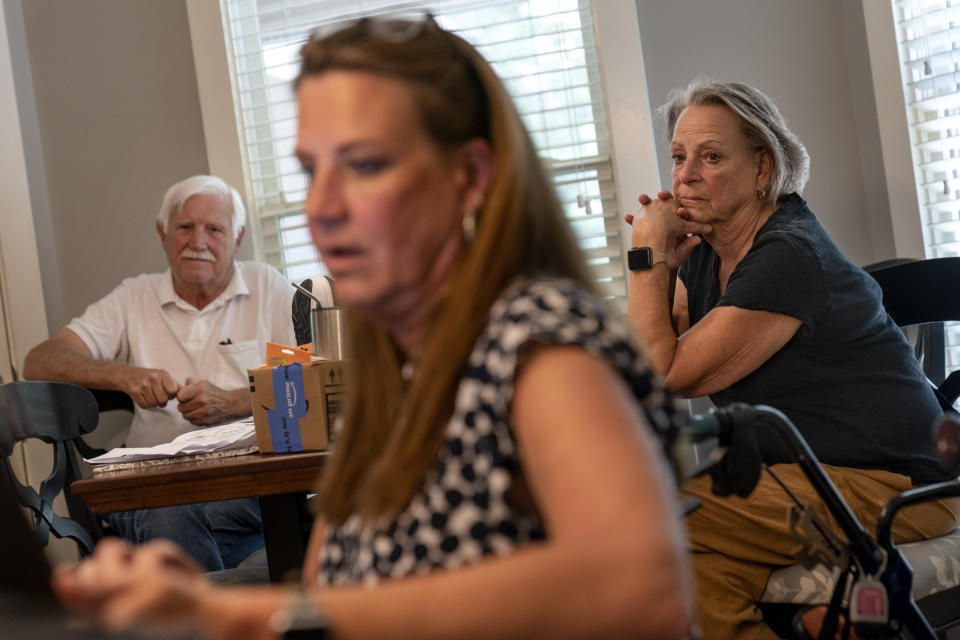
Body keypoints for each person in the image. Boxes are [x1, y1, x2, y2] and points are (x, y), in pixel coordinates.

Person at [50, 16, 693, 640]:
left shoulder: (539, 341)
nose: (321, 208)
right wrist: (192, 601)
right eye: (310, 171)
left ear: (469, 176)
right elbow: (343, 601)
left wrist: (237, 617)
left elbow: (642, 593)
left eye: (362, 166)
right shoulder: (398, 365)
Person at [625, 77, 960, 639]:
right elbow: (653, 343)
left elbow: (662, 373)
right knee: (690, 573)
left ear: (762, 169)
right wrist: (666, 263)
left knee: (662, 512)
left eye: (710, 157)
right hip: (813, 476)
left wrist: (647, 257)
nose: (684, 175)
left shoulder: (788, 256)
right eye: (679, 156)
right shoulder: (711, 250)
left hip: (902, 487)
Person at [23, 174, 296, 571]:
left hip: (245, 485)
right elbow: (41, 360)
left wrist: (233, 402)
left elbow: (303, 385)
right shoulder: (135, 295)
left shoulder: (267, 286)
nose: (198, 242)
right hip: (151, 484)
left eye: (214, 229)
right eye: (185, 227)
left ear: (237, 239)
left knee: (175, 525)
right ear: (163, 233)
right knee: (167, 512)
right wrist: (124, 377)